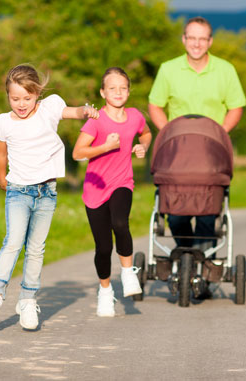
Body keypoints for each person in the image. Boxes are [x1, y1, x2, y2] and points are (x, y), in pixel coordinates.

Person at [0, 64, 99, 330]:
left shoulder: (49, 108)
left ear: (37, 94)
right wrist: (1, 178)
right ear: (7, 96)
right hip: (18, 191)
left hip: (46, 192)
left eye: (27, 98)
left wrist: (85, 111)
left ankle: (28, 300)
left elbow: (73, 112)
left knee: (36, 249)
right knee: (13, 241)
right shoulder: (1, 122)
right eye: (15, 98)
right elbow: (1, 154)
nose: (21, 104)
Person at [148, 17, 246, 250]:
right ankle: (187, 256)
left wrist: (220, 134)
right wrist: (169, 132)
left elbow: (236, 107)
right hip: (177, 153)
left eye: (202, 39)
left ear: (210, 42)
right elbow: (155, 105)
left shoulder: (225, 70)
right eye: (192, 38)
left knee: (207, 212)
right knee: (176, 214)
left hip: (211, 152)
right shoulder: (169, 69)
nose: (196, 44)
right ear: (184, 40)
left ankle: (200, 262)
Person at [73, 67, 153, 317]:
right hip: (95, 189)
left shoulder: (135, 116)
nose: (118, 92)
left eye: (123, 88)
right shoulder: (96, 121)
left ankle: (128, 274)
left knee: (120, 223)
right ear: (102, 92)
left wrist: (143, 146)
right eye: (112, 88)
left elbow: (147, 133)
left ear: (129, 91)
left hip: (122, 182)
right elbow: (78, 153)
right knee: (103, 247)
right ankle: (105, 291)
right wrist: (106, 147)